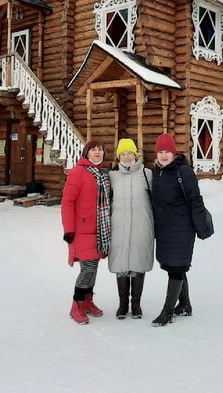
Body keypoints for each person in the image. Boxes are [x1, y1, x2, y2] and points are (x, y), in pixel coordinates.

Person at [149, 133, 214, 327]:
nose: (163, 155)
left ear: (174, 153)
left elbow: (195, 199)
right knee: (173, 266)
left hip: (181, 228)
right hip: (164, 228)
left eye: (167, 151)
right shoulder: (157, 172)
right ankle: (185, 304)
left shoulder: (183, 171)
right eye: (160, 151)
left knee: (176, 268)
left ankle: (167, 312)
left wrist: (200, 227)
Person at [60, 139, 113, 325]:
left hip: (100, 230)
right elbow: (67, 203)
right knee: (87, 269)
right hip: (82, 231)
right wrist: (69, 230)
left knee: (93, 269)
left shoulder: (103, 174)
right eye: (93, 150)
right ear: (86, 153)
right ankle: (76, 305)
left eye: (100, 150)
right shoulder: (77, 173)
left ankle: (88, 301)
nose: (97, 153)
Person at [108, 138, 154, 319]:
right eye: (123, 153)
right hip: (118, 226)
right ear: (119, 156)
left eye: (130, 153)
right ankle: (122, 304)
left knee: (138, 263)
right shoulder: (112, 176)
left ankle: (136, 304)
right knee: (121, 265)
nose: (127, 157)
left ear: (136, 155)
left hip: (141, 225)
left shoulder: (147, 174)